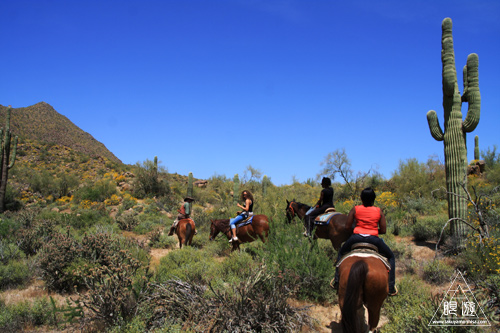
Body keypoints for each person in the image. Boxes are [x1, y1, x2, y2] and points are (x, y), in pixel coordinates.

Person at [333, 187, 397, 296]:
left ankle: (337, 281)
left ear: (361, 199)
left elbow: (348, 227)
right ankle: (391, 287)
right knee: (391, 257)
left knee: (341, 252)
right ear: (374, 199)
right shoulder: (378, 211)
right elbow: (383, 230)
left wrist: (357, 230)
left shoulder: (355, 209)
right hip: (373, 239)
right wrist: (371, 230)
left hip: (356, 237)